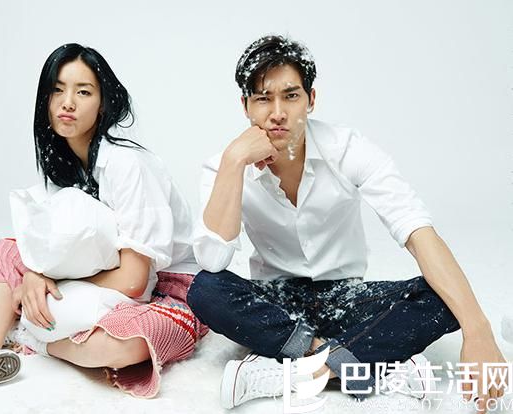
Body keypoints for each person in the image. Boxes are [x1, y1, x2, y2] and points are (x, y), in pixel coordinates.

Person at [186, 35, 507, 412]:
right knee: (205, 289)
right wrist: (233, 162)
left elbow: (417, 231)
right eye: (263, 98)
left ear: (311, 99)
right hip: (277, 301)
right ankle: (361, 363)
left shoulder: (348, 148)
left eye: (291, 96)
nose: (278, 113)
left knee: (443, 296)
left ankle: (291, 372)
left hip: (347, 297)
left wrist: (478, 329)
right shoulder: (224, 165)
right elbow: (212, 261)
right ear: (245, 106)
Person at [0, 43, 207, 404]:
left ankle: (32, 338)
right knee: (5, 252)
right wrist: (35, 274)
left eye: (83, 92)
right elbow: (52, 248)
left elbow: (134, 280)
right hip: (103, 278)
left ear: (103, 104)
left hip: (167, 289)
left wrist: (52, 282)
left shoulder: (128, 165)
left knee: (124, 345)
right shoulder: (64, 167)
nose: (67, 103)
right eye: (57, 90)